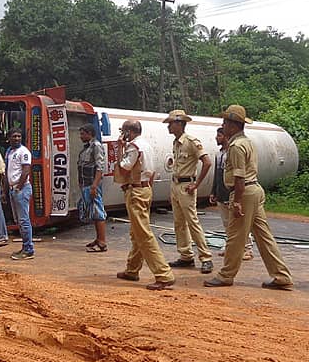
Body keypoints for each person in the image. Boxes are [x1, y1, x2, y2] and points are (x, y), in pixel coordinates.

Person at [204, 105, 294, 290]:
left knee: (235, 236)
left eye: (225, 122)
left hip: (244, 193)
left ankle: (226, 275)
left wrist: (236, 201)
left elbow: (239, 177)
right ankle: (281, 275)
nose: (223, 125)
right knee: (263, 236)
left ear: (232, 125)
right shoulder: (248, 142)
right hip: (254, 191)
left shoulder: (236, 146)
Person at [114, 120, 175, 290]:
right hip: (146, 189)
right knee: (137, 232)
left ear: (128, 132)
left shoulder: (133, 147)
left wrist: (120, 149)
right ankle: (132, 269)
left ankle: (163, 274)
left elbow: (124, 169)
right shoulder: (146, 145)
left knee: (143, 234)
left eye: (123, 131)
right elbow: (153, 172)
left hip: (136, 191)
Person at [164, 109, 214, 274]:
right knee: (179, 223)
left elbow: (206, 162)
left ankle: (206, 258)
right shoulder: (175, 142)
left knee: (192, 222)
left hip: (187, 186)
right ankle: (186, 256)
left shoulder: (191, 142)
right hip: (176, 185)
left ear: (179, 123)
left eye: (171, 123)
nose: (168, 127)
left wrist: (196, 184)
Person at [209, 127, 253, 261]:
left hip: (230, 191)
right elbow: (217, 174)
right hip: (221, 192)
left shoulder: (232, 152)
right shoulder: (219, 154)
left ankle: (247, 248)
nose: (217, 138)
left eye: (219, 136)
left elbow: (237, 175)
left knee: (239, 222)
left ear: (225, 137)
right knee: (227, 222)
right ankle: (231, 245)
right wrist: (213, 191)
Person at [4, 128, 34, 260]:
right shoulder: (9, 152)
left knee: (24, 220)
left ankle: (28, 249)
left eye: (19, 136)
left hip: (21, 189)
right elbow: (7, 171)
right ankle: (25, 246)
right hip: (12, 189)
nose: (16, 138)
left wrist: (18, 188)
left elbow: (26, 171)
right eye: (14, 136)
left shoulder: (24, 152)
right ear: (9, 138)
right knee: (19, 221)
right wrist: (6, 191)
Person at [77, 123, 107, 252]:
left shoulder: (96, 146)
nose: (81, 136)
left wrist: (94, 185)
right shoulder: (87, 148)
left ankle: (102, 242)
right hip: (86, 183)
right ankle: (98, 238)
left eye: (83, 134)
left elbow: (100, 167)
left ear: (90, 134)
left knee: (97, 210)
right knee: (93, 212)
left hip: (92, 184)